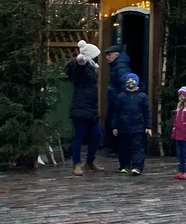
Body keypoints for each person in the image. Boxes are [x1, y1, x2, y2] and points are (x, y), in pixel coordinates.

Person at [65, 40, 103, 176]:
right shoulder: (81, 68)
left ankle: (90, 161)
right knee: (78, 137)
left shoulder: (92, 68)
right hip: (80, 108)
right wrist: (80, 61)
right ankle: (76, 164)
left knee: (97, 134)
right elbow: (77, 66)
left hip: (91, 108)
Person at [112, 73, 152, 176]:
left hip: (138, 126)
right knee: (124, 147)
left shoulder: (142, 96)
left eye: (132, 79)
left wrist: (148, 126)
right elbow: (116, 112)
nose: (130, 81)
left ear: (137, 82)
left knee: (137, 147)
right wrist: (114, 126)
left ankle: (137, 167)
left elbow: (147, 112)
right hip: (123, 126)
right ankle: (124, 166)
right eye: (128, 79)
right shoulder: (121, 96)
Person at [103, 43, 132, 151]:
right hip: (116, 97)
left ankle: (116, 147)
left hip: (117, 99)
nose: (107, 57)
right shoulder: (118, 65)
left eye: (109, 54)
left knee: (115, 122)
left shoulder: (121, 66)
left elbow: (126, 81)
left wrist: (120, 96)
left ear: (116, 54)